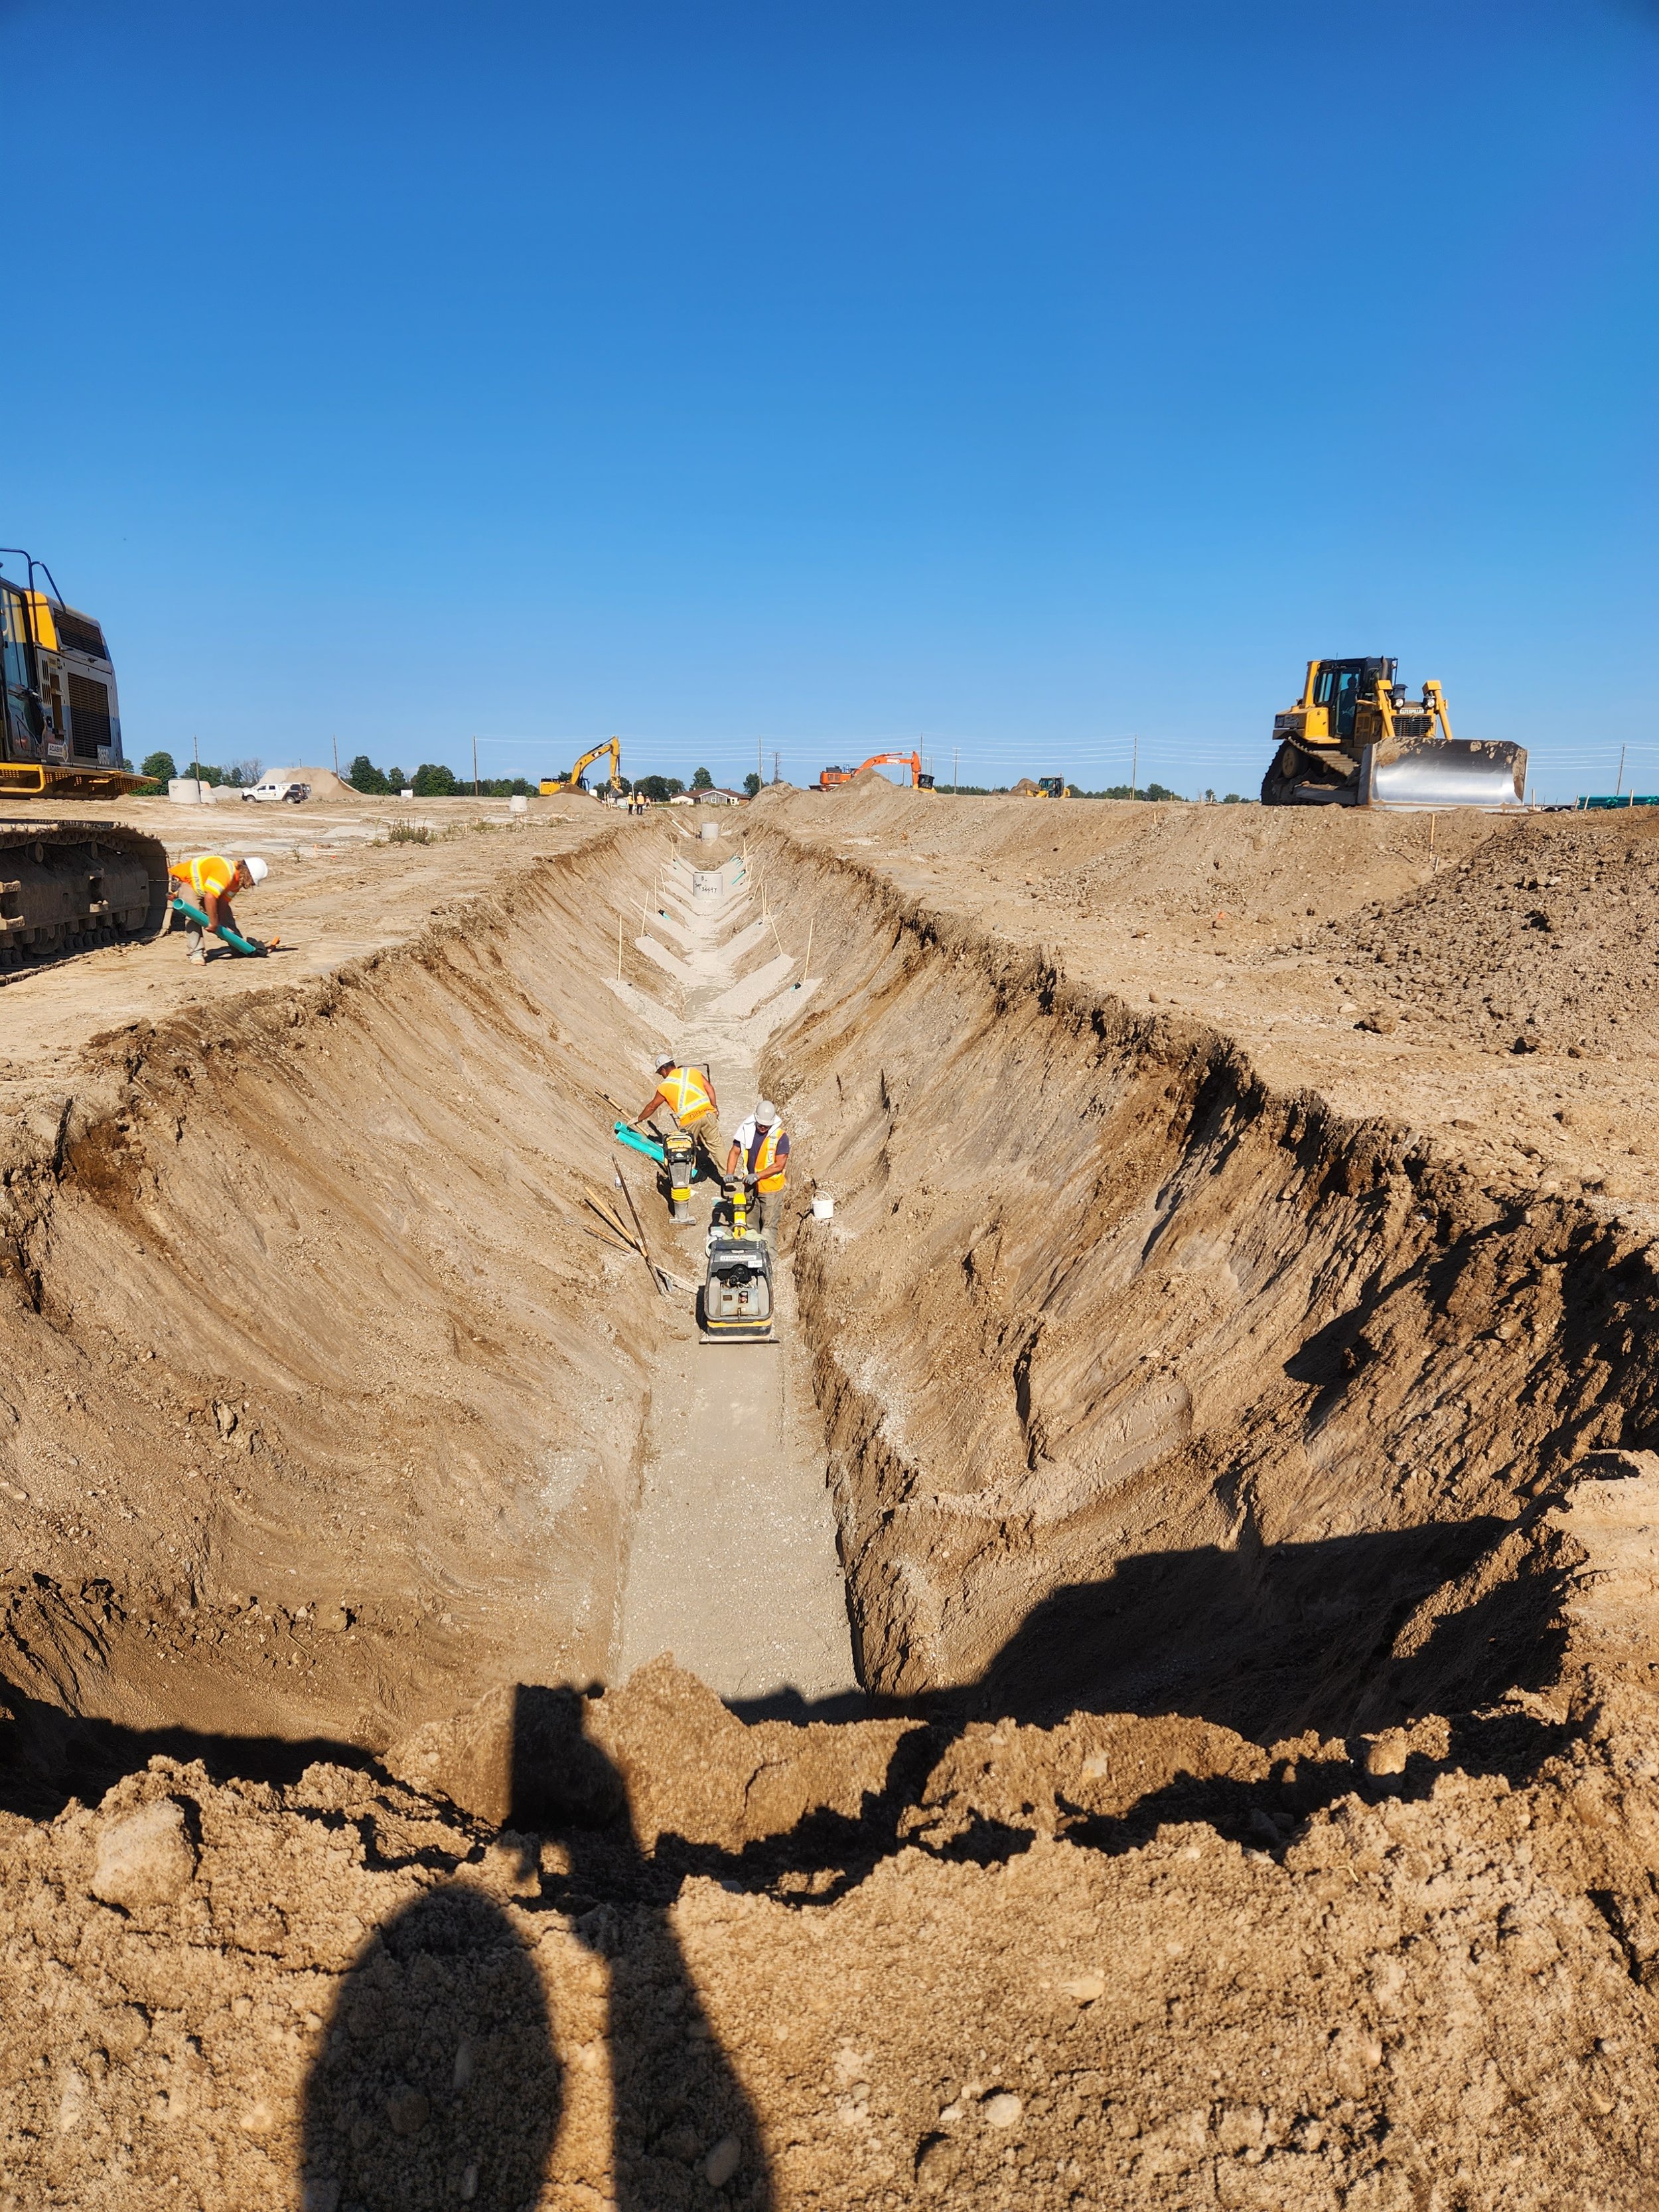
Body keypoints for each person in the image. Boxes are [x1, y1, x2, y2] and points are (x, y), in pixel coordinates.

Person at [165, 852, 268, 964]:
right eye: (252, 881)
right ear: (248, 874)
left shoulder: (238, 881)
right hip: (188, 882)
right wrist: (213, 922)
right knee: (194, 915)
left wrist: (223, 923)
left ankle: (239, 947)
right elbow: (210, 897)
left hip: (206, 888)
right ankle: (196, 953)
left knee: (227, 917)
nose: (251, 885)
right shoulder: (226, 873)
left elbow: (223, 903)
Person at [726, 1099, 789, 1230]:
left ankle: (769, 1251)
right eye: (760, 1125)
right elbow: (734, 1152)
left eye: (766, 1126)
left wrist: (758, 1175)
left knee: (769, 1227)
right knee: (750, 1227)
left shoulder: (780, 1137)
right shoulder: (746, 1131)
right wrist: (729, 1174)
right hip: (750, 1186)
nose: (763, 1128)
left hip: (771, 1189)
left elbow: (779, 1165)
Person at [635, 1055, 719, 1145]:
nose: (662, 1076)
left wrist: (638, 1119)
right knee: (717, 1145)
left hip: (690, 1119)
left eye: (660, 1073)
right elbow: (709, 1088)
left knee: (683, 1146)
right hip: (708, 1113)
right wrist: (714, 1107)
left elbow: (652, 1106)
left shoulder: (665, 1086)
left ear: (663, 1069)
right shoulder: (693, 1072)